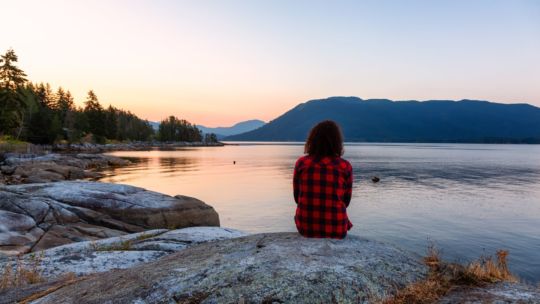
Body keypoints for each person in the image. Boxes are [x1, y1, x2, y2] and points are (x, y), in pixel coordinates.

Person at [293, 120, 353, 239]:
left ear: (312, 140)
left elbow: (297, 197)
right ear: (337, 142)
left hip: (306, 227)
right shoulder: (345, 166)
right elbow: (346, 201)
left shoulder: (302, 163)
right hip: (337, 228)